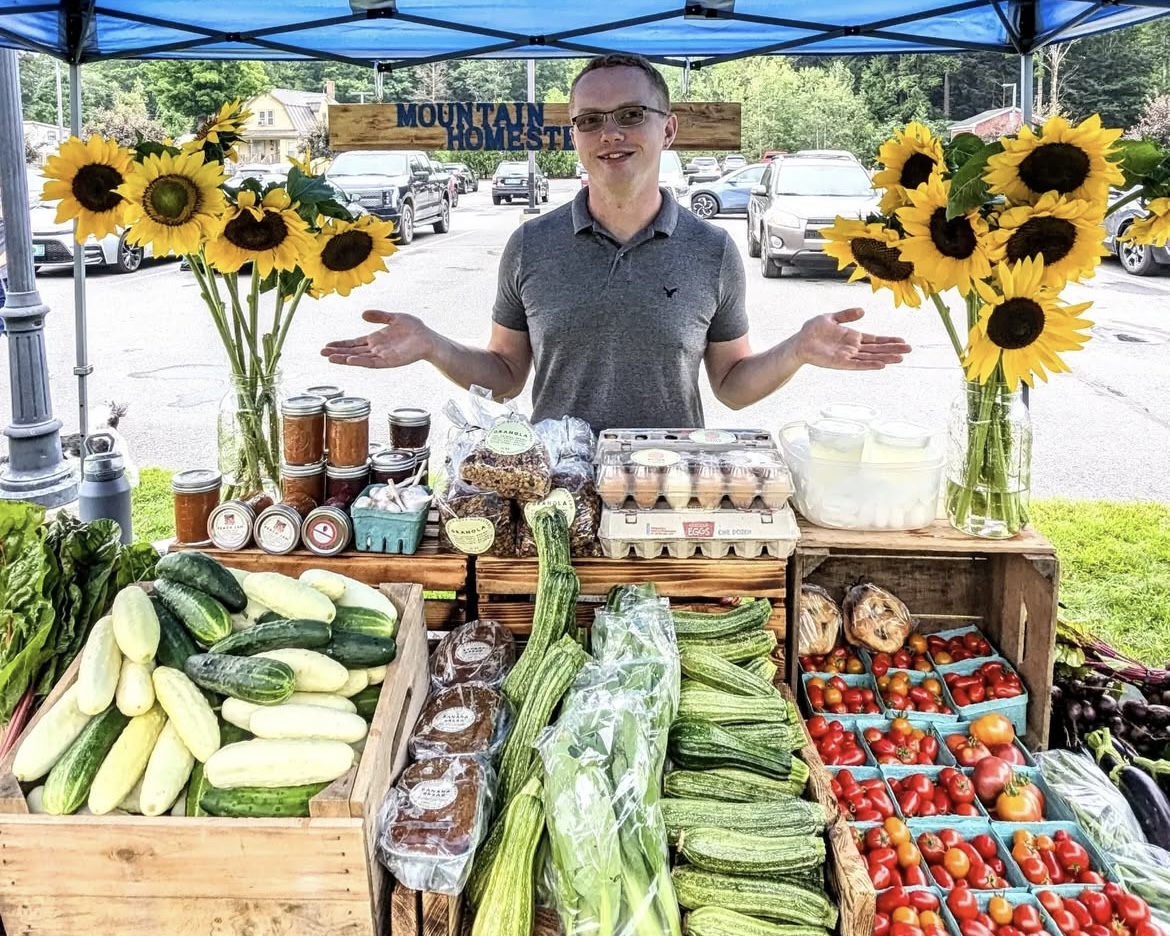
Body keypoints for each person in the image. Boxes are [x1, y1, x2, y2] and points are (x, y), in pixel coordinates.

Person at [322, 53, 911, 431]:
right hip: (557, 494)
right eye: (590, 120)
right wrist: (431, 344)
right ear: (573, 133)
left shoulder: (712, 250)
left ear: (668, 128)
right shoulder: (530, 245)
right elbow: (505, 378)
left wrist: (799, 349)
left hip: (671, 492)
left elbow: (731, 388)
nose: (611, 134)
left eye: (631, 114)